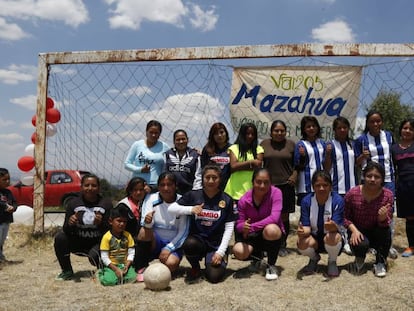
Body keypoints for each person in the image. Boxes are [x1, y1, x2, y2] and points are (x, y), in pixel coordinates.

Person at [169, 165, 236, 284]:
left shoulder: (227, 199)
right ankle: (195, 268)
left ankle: (212, 260)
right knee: (189, 243)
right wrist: (190, 210)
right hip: (198, 241)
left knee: (214, 277)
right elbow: (172, 208)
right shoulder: (193, 195)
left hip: (216, 244)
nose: (210, 181)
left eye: (214, 178)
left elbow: (229, 227)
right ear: (202, 178)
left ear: (220, 179)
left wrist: (220, 252)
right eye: (207, 177)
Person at [54, 174, 113, 281]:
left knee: (94, 257)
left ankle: (105, 269)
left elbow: (111, 231)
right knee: (60, 237)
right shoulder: (73, 203)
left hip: (97, 243)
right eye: (87, 185)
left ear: (99, 188)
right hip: (79, 242)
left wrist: (101, 223)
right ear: (81, 187)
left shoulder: (106, 203)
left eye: (94, 185)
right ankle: (67, 271)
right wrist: (70, 223)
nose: (90, 188)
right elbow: (66, 229)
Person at [355, 110, 397, 259]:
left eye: (378, 121)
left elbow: (394, 155)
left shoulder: (389, 136)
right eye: (372, 121)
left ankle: (388, 245)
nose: (375, 124)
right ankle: (371, 244)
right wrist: (362, 156)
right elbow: (357, 162)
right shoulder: (361, 140)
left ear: (382, 122)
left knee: (388, 213)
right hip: (369, 181)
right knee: (369, 212)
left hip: (387, 180)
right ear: (367, 123)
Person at [135, 173, 189, 281]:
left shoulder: (183, 201)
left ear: (175, 186)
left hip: (173, 242)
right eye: (162, 185)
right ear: (158, 187)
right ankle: (141, 266)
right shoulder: (150, 198)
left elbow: (184, 231)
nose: (166, 188)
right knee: (143, 231)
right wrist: (148, 222)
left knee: (171, 264)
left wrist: (168, 248)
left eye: (169, 184)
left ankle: (160, 269)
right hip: (155, 241)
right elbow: (145, 224)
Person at [232, 168, 284, 281]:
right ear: (252, 182)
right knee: (238, 251)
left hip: (270, 233)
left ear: (271, 183)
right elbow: (239, 224)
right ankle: (256, 260)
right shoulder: (243, 200)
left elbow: (274, 218)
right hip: (252, 236)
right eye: (258, 182)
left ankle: (271, 265)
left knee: (272, 230)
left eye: (266, 182)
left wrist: (251, 227)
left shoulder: (276, 193)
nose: (262, 185)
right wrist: (243, 227)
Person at [344, 162, 393, 278]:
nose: (372, 179)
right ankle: (359, 258)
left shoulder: (388, 195)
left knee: (385, 231)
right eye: (369, 176)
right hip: (358, 229)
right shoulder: (352, 193)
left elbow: (387, 221)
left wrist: (382, 218)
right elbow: (345, 217)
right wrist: (354, 231)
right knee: (361, 243)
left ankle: (380, 261)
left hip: (377, 230)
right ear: (363, 176)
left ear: (382, 179)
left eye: (377, 177)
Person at [297, 170, 344, 277]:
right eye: (318, 185)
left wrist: (333, 226)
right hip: (314, 238)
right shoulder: (306, 201)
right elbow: (306, 227)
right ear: (313, 187)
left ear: (331, 186)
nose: (321, 188)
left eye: (325, 185)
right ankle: (314, 259)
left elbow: (337, 227)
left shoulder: (338, 201)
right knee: (301, 243)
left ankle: (332, 261)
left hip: (331, 236)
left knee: (332, 237)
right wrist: (302, 232)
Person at [260, 120, 297, 257]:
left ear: (285, 132)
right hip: (269, 186)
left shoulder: (291, 145)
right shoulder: (264, 144)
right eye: (276, 130)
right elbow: (260, 164)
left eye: (282, 131)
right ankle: (266, 244)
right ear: (271, 132)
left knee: (284, 216)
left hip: (286, 185)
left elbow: (298, 165)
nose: (279, 133)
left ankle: (282, 244)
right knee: (267, 215)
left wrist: (294, 176)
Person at [324, 116, 357, 255]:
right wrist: (328, 154)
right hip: (337, 186)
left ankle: (352, 239)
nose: (342, 130)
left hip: (352, 186)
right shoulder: (330, 145)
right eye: (339, 128)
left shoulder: (353, 144)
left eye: (345, 127)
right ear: (334, 130)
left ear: (348, 129)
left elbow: (358, 164)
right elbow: (326, 167)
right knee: (340, 215)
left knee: (352, 215)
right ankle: (343, 242)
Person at [124, 120, 169, 192]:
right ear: (146, 132)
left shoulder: (164, 146)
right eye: (151, 132)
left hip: (155, 186)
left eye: (156, 133)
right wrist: (140, 170)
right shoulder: (137, 145)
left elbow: (174, 157)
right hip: (137, 185)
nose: (153, 135)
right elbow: (127, 164)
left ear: (159, 134)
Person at [391, 119, 414, 257]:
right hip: (404, 186)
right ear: (401, 129)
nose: (407, 131)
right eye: (405, 128)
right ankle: (411, 246)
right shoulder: (394, 148)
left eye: (411, 129)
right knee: (410, 217)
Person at [224, 123, 264, 201]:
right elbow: (233, 166)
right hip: (234, 190)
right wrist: (251, 162)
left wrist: (240, 166)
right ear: (242, 134)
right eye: (247, 134)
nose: (250, 136)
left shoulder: (258, 149)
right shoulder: (234, 148)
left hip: (252, 190)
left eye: (252, 134)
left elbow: (258, 165)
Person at [98, 205, 136, 286]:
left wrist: (127, 264)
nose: (122, 224)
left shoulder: (128, 236)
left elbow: (131, 252)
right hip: (111, 265)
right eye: (119, 221)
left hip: (124, 264)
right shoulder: (106, 237)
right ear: (111, 221)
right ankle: (101, 273)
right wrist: (115, 269)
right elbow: (104, 256)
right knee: (109, 282)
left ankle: (121, 277)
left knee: (133, 278)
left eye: (124, 222)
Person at [294, 116, 326, 206]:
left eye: (313, 126)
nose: (311, 128)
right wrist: (303, 156)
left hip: (321, 183)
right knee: (306, 211)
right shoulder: (300, 145)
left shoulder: (323, 143)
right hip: (306, 185)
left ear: (317, 127)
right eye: (308, 127)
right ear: (304, 129)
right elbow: (297, 166)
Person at [164, 129, 202, 194]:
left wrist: (195, 192)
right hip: (171, 192)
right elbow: (164, 173)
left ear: (187, 139)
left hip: (189, 192)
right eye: (178, 140)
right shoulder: (167, 154)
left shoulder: (195, 155)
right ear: (174, 141)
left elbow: (198, 176)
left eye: (183, 139)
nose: (181, 141)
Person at [201, 122, 231, 191]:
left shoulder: (232, 149)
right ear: (212, 136)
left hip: (228, 187)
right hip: (211, 187)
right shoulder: (207, 149)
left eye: (221, 132)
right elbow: (203, 169)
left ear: (226, 133)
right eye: (216, 133)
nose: (219, 135)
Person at [0, 168, 17, 263]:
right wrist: (5, 206)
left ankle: (1, 256)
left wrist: (13, 208)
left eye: (8, 179)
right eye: (4, 180)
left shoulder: (8, 192)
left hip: (6, 221)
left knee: (1, 240)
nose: (7, 181)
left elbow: (14, 202)